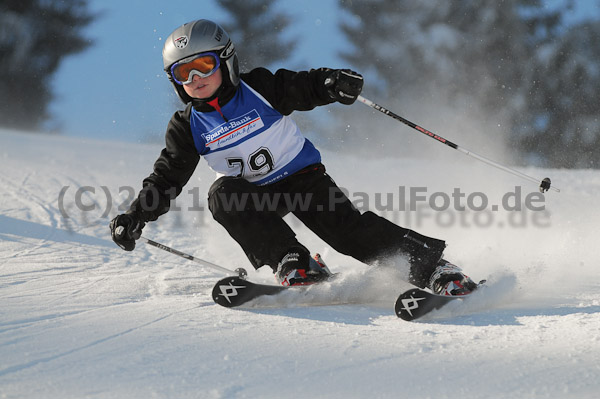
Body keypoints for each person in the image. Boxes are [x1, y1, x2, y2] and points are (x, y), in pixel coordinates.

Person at [109, 19, 477, 295]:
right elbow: (167, 176)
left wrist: (332, 83)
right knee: (222, 196)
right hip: (257, 196)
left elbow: (303, 86)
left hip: (305, 181)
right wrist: (137, 214)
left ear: (225, 62)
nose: (195, 78)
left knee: (349, 235)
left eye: (203, 66)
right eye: (183, 73)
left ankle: (435, 269)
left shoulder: (260, 89)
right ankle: (293, 261)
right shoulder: (187, 125)